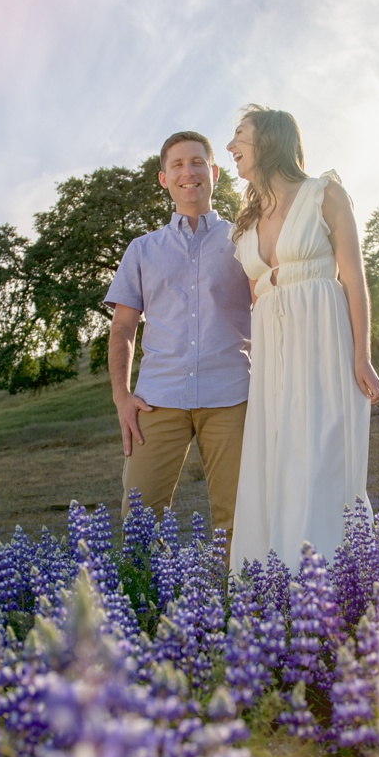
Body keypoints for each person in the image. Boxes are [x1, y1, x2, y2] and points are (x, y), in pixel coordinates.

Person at [225, 105, 379, 574]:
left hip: (323, 343)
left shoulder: (324, 195)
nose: (232, 147)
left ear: (269, 140)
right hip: (272, 356)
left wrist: (362, 355)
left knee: (320, 459)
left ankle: (334, 583)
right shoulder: (248, 223)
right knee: (276, 461)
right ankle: (274, 587)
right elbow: (256, 296)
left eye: (239, 136)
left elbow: (354, 279)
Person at [103, 130, 254, 541]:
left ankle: (239, 603)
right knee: (139, 522)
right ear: (164, 179)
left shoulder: (244, 240)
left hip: (232, 396)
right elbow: (123, 328)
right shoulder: (142, 249)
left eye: (197, 162)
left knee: (238, 520)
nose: (189, 172)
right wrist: (121, 397)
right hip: (157, 400)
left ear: (215, 172)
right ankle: (148, 607)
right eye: (177, 165)